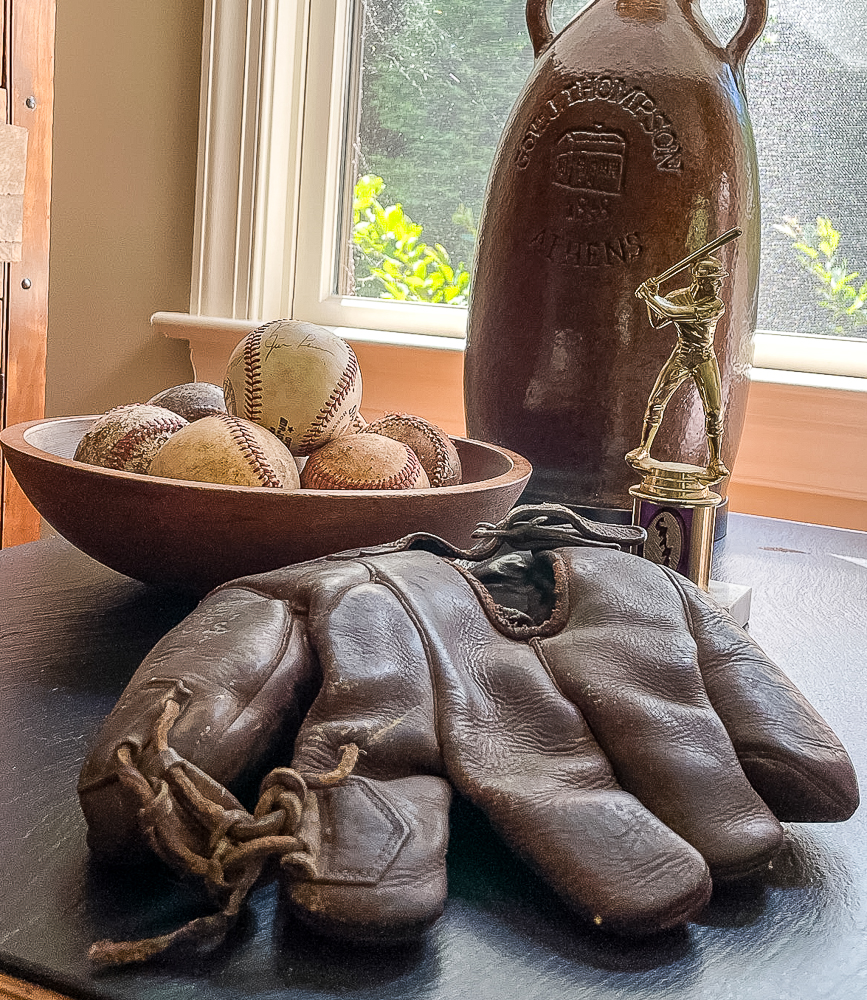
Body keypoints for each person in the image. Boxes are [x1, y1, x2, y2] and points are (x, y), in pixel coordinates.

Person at [626, 255, 731, 483]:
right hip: (682, 354)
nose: (719, 284)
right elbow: (658, 320)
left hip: (704, 357)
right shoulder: (678, 297)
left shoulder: (715, 305)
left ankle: (715, 461)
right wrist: (649, 298)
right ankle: (644, 449)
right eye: (714, 280)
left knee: (714, 411)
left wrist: (652, 296)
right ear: (700, 280)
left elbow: (674, 313)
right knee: (656, 400)